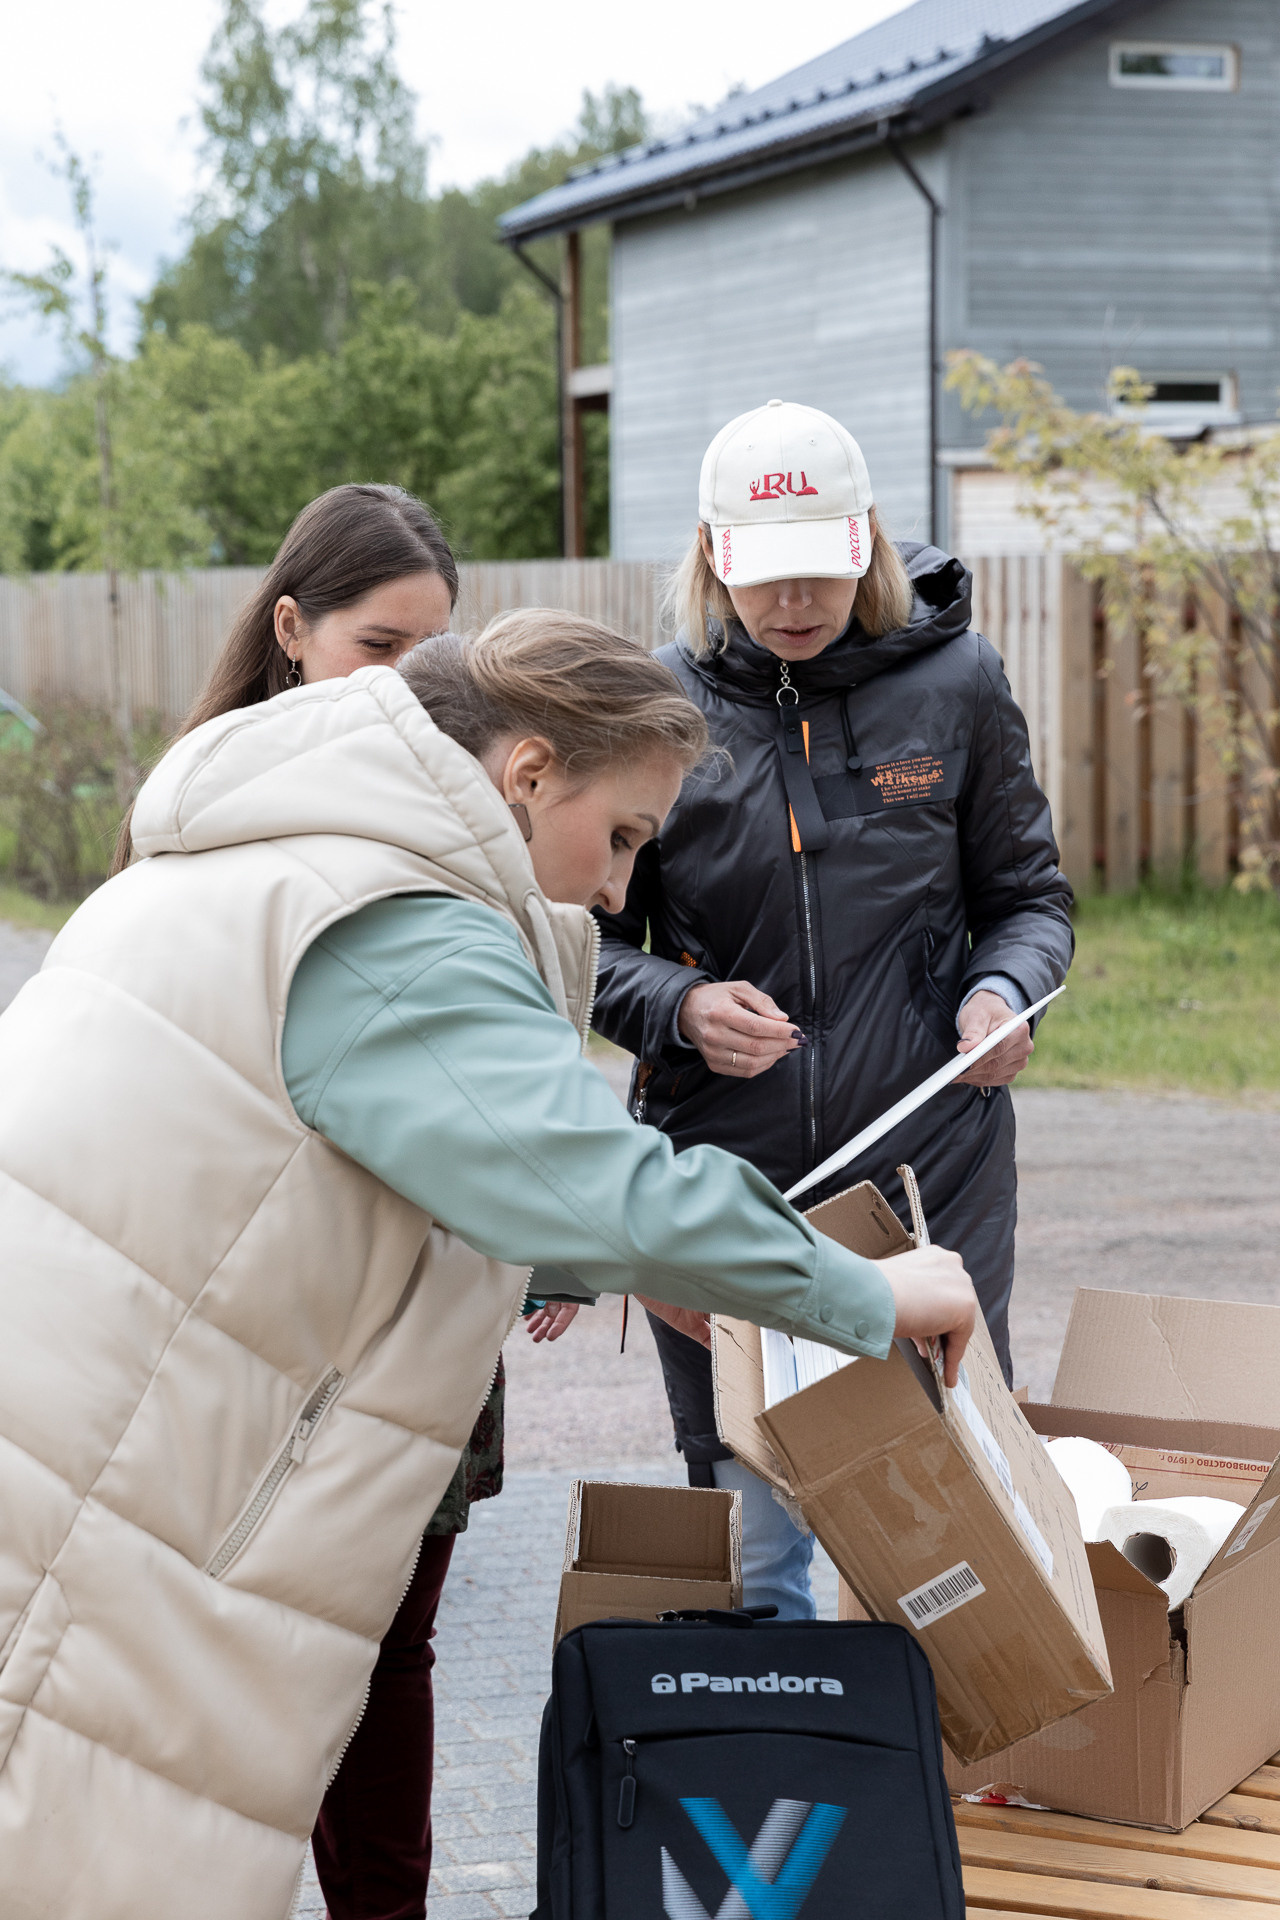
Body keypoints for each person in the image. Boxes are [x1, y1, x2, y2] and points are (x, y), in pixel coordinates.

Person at [0, 607, 977, 1919]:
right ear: (525, 773)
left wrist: (628, 1270)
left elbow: (323, 1183)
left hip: (92, 1469)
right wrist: (857, 1288)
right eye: (622, 832)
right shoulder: (390, 912)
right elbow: (586, 1176)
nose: (622, 890)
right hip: (108, 1519)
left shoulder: (275, 860)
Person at [109, 481, 575, 1920]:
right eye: (386, 649)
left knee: (396, 1654)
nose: (415, 688)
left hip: (419, 1319)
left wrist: (542, 1217)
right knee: (233, 1667)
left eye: (439, 655)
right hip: (256, 1325)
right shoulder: (197, 820)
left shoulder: (462, 812)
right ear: (293, 628)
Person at [592, 398, 1073, 1621]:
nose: (791, 605)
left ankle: (920, 1791)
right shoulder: (656, 708)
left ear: (863, 544)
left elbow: (1027, 900)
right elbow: (582, 942)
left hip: (929, 1176)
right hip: (721, 1181)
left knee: (938, 1538)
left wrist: (999, 992)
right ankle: (787, 1786)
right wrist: (679, 1002)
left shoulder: (956, 683)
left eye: (817, 572)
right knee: (754, 1552)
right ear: (709, 558)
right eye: (761, 580)